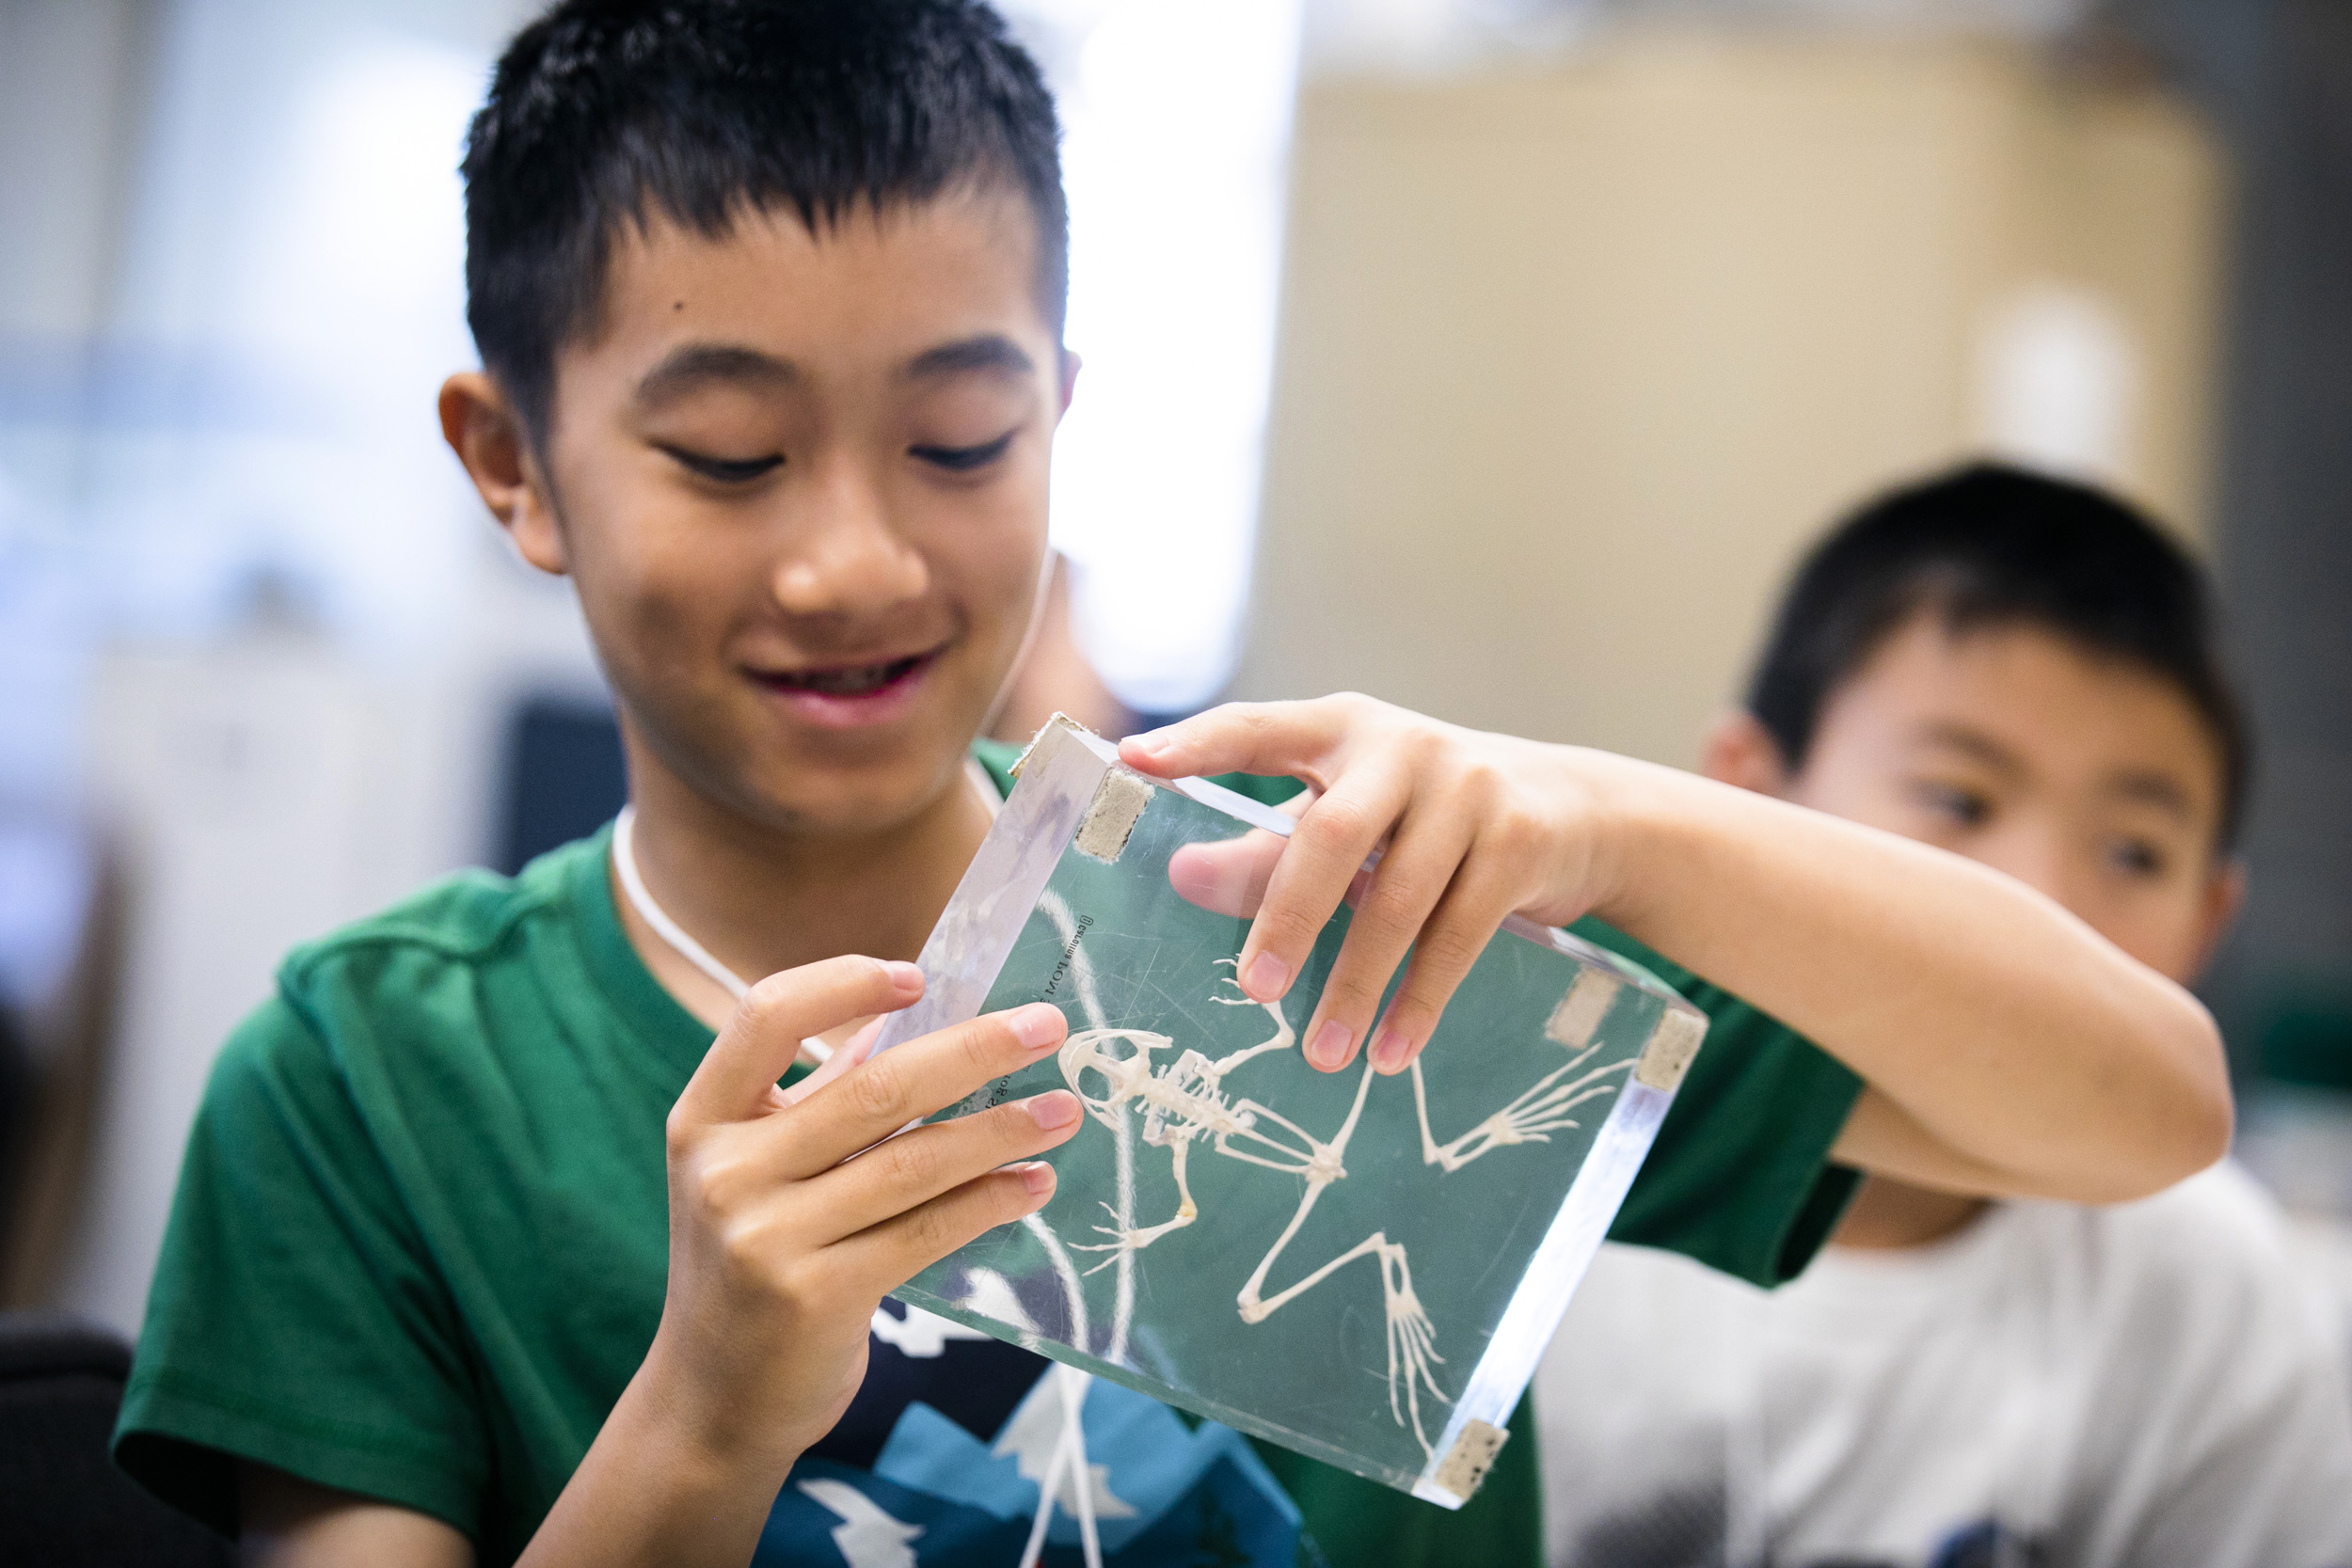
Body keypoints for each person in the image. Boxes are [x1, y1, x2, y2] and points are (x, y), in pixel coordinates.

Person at [109, 7, 2229, 1564]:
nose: (853, 555)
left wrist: (1610, 825)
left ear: (1059, 412)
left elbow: (2137, 1105)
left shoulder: (1308, 932)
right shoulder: (371, 1077)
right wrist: (701, 1413)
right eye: (730, 456)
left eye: (958, 442)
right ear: (515, 465)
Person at [1536, 463, 2352, 1568]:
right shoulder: (1555, 1143)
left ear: (2209, 920)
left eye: (2133, 852)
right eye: (1959, 800)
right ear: (1745, 797)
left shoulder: (2215, 1297)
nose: (2036, 902)